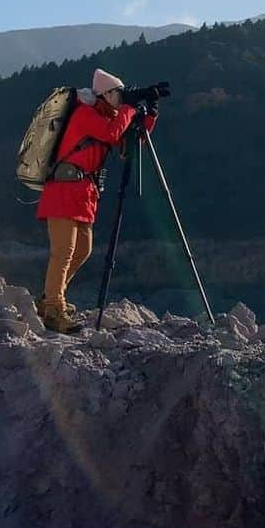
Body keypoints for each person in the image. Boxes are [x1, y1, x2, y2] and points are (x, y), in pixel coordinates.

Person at [35, 67, 156, 333]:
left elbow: (127, 147)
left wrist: (148, 117)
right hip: (64, 190)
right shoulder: (84, 114)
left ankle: (51, 298)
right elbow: (112, 134)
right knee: (63, 252)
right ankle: (53, 308)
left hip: (82, 193)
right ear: (105, 94)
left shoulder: (105, 117)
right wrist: (129, 109)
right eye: (118, 94)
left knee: (82, 250)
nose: (122, 98)